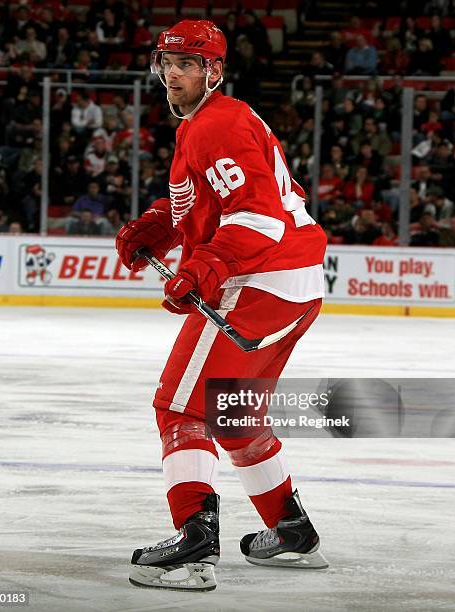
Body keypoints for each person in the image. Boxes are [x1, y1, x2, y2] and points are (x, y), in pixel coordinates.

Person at [115, 20, 328, 592]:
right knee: (234, 417)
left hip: (260, 282)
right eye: (167, 65)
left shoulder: (216, 124)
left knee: (180, 409)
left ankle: (193, 548)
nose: (172, 76)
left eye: (185, 65)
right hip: (299, 285)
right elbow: (212, 201)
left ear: (213, 70)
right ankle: (290, 531)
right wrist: (161, 227)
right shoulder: (214, 122)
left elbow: (257, 216)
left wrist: (206, 267)